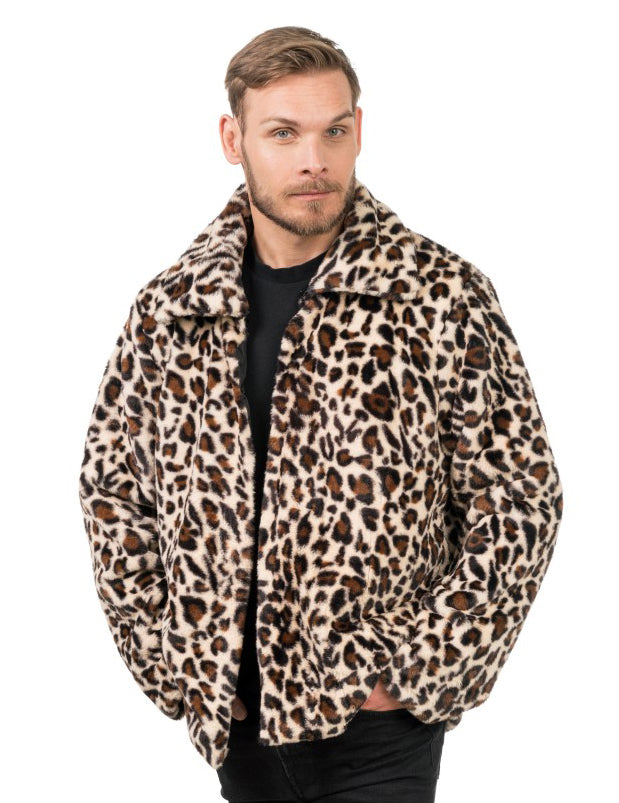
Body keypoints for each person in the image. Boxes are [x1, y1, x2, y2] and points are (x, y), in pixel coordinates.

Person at [78, 25, 563, 803]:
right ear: (232, 140)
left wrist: (423, 669)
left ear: (358, 129)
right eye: (284, 133)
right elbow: (111, 491)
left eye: (334, 131)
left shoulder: (436, 294)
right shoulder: (173, 309)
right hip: (236, 725)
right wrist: (172, 661)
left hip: (377, 729)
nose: (314, 159)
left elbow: (518, 495)